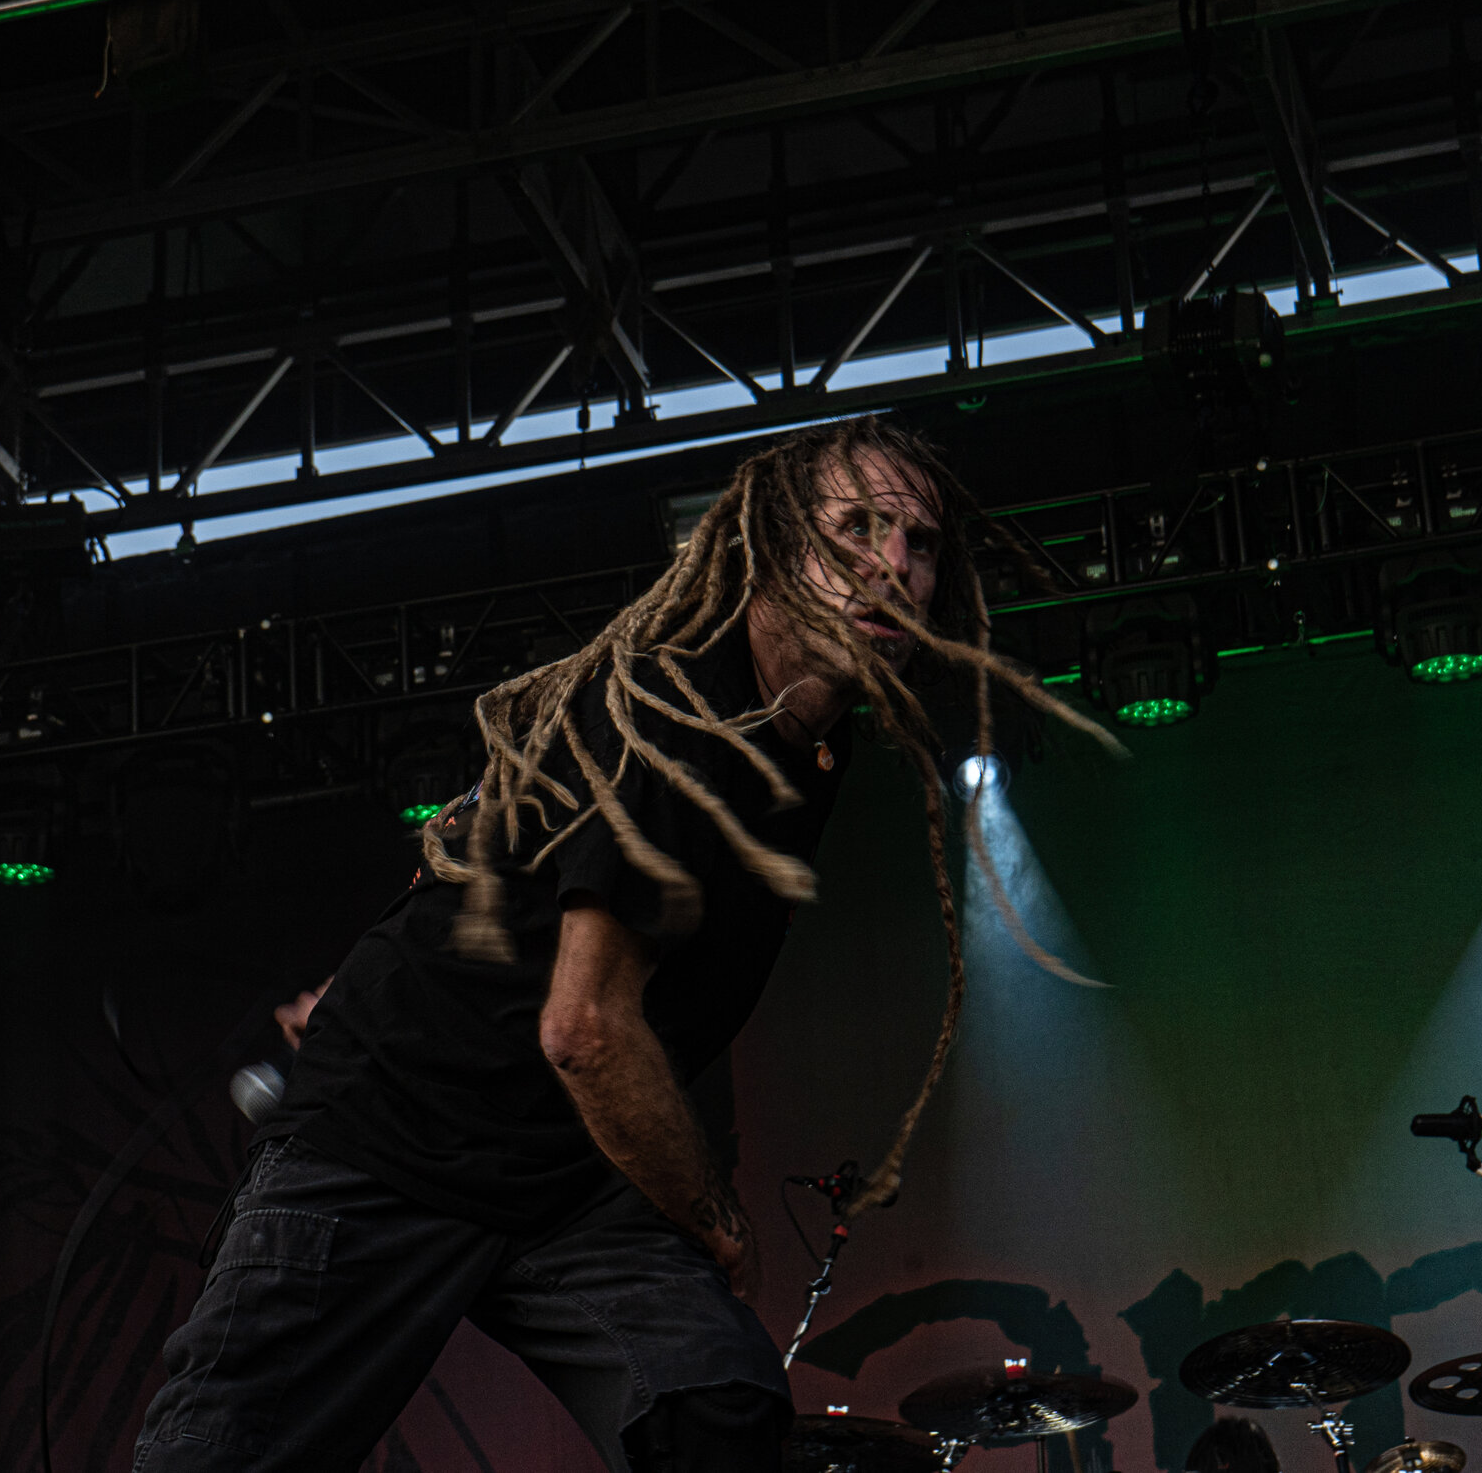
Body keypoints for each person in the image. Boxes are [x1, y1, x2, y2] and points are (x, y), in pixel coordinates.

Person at [132, 418, 1106, 1473]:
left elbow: (507, 831)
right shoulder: (683, 703)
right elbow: (586, 1029)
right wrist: (712, 1216)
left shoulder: (810, 734)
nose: (895, 567)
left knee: (713, 1400)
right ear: (771, 546)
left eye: (918, 544)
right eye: (855, 531)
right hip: (394, 1138)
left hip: (559, 1171)